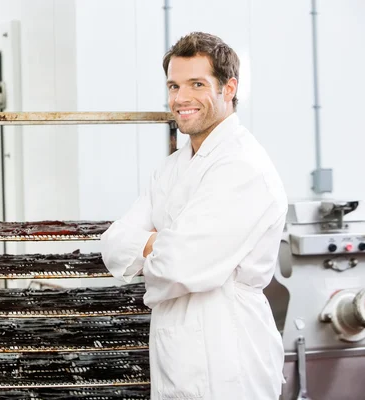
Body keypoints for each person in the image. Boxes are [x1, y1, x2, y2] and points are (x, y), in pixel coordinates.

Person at [100, 32, 287, 400]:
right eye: (173, 86)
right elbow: (113, 244)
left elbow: (179, 265)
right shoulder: (169, 170)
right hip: (173, 353)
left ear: (228, 88)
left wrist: (153, 245)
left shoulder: (243, 167)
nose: (180, 98)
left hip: (228, 355)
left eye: (196, 84)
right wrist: (161, 245)